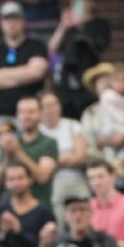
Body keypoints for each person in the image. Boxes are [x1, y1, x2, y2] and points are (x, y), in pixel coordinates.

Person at [0, 1, 48, 130]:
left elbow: (36, 72)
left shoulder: (36, 46)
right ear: (1, 23)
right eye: (7, 19)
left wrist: (1, 73)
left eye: (15, 18)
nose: (11, 23)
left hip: (28, 116)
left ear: (23, 21)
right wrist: (22, 75)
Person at [47, 0, 111, 118]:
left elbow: (99, 45)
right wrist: (63, 25)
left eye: (83, 0)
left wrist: (82, 22)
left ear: (92, 3)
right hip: (67, 80)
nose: (79, 4)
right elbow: (52, 48)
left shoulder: (99, 24)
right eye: (76, 1)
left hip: (86, 78)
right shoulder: (69, 28)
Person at [39, 91, 89, 223]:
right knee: (58, 221)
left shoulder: (72, 126)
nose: (51, 110)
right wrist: (67, 157)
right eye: (46, 106)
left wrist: (53, 161)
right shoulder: (38, 131)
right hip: (53, 184)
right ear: (40, 110)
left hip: (77, 180)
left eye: (54, 105)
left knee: (84, 216)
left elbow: (81, 156)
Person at [0, 163, 56, 247]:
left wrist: (19, 232)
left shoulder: (44, 211)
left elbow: (48, 246)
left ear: (30, 179)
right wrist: (2, 234)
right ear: (6, 183)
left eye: (20, 178)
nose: (16, 183)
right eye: (11, 179)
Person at [0, 96, 58, 204]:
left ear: (41, 114)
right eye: (22, 112)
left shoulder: (48, 143)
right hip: (9, 205)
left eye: (31, 112)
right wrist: (7, 157)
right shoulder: (9, 142)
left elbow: (42, 177)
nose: (26, 116)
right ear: (17, 115)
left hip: (39, 206)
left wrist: (18, 152)